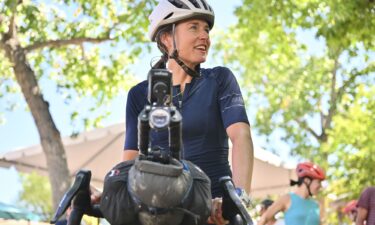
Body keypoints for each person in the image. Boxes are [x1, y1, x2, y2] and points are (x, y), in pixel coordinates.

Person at [122, 0, 254, 224]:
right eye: (194, 27)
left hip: (215, 208)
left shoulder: (220, 79)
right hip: (163, 210)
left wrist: (237, 199)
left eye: (206, 29)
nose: (205, 36)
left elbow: (241, 136)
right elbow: (130, 161)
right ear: (166, 38)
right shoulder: (139, 94)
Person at [258, 162, 326, 225]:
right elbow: (264, 218)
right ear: (307, 181)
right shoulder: (287, 199)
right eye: (318, 182)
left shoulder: (316, 204)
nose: (320, 186)